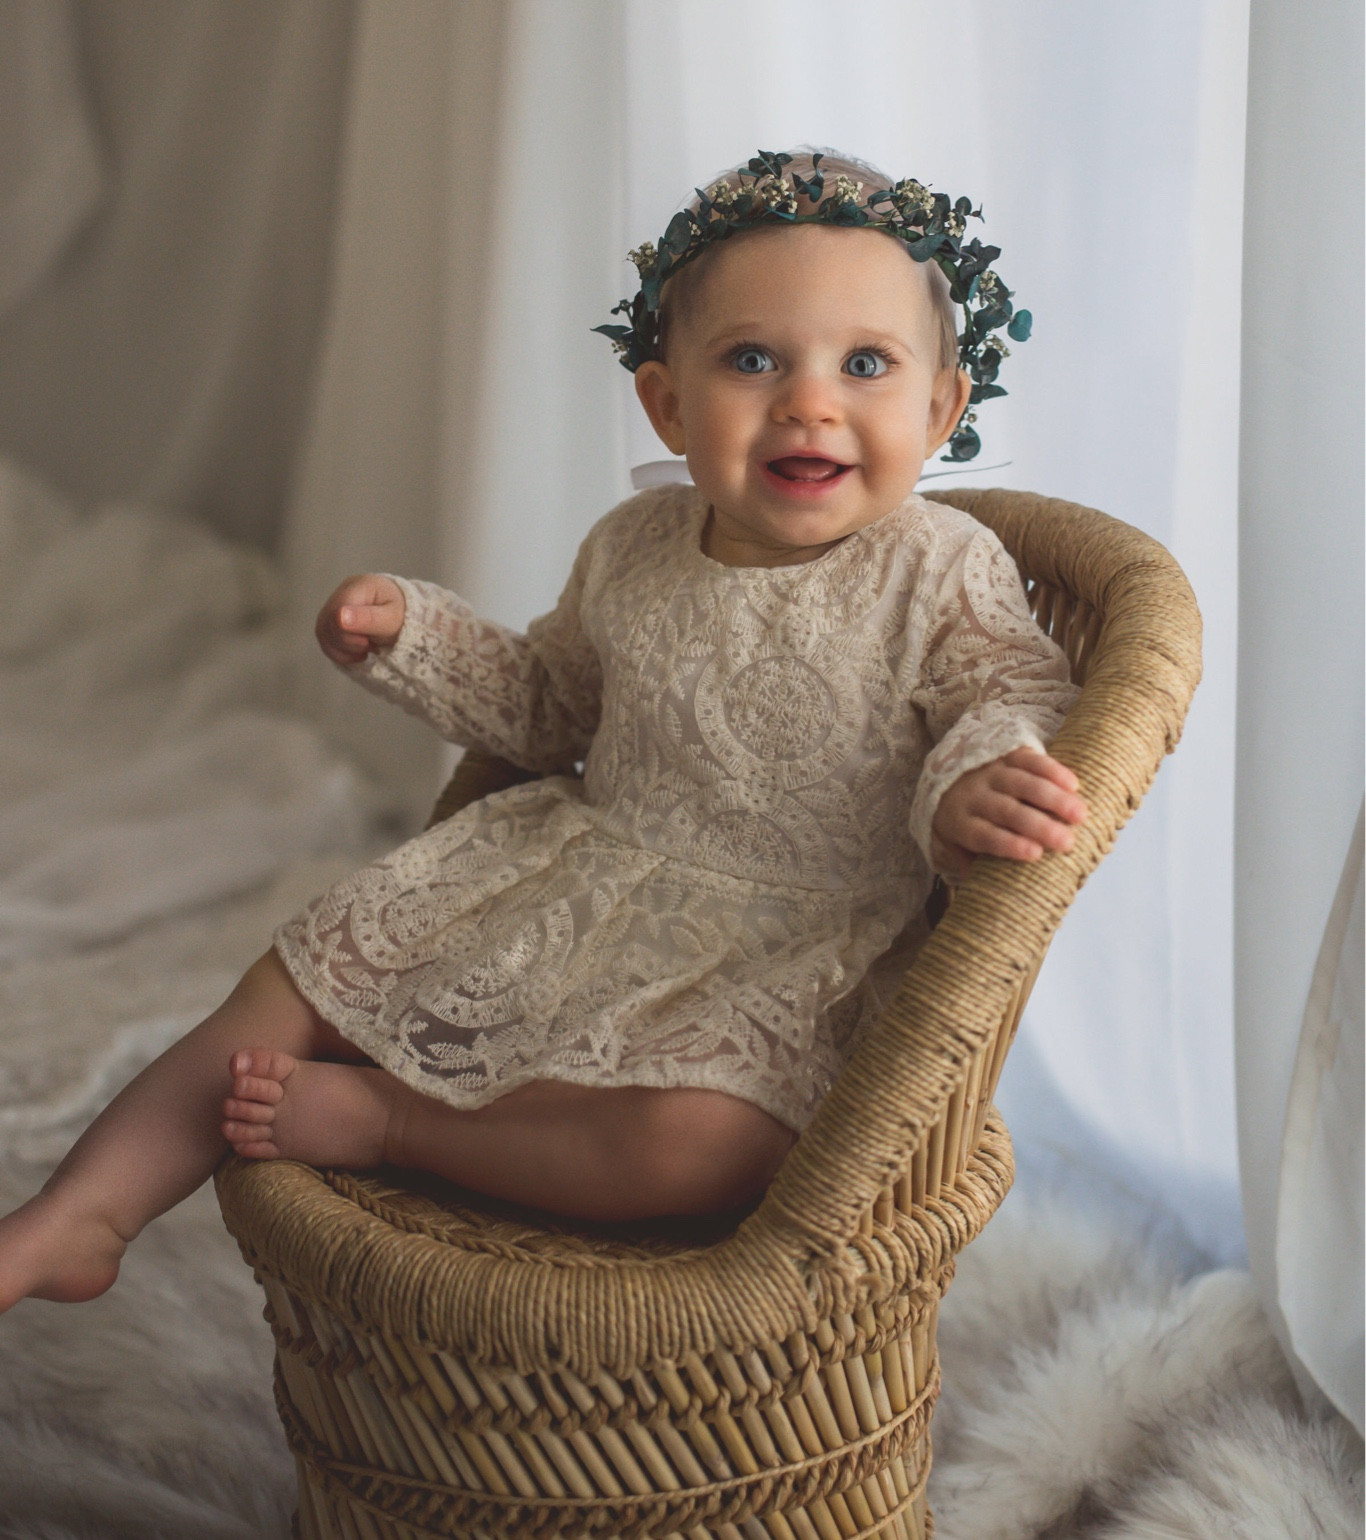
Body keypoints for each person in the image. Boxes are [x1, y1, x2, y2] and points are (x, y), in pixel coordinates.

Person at [0, 148, 1085, 1312]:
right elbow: (548, 706)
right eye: (752, 359)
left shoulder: (939, 565)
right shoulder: (635, 545)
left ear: (937, 408)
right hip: (574, 879)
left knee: (702, 1142)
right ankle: (78, 1213)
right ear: (667, 401)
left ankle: (397, 1121)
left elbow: (1007, 691)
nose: (808, 400)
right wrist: (412, 635)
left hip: (788, 942)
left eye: (863, 364)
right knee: (292, 986)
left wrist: (973, 778)